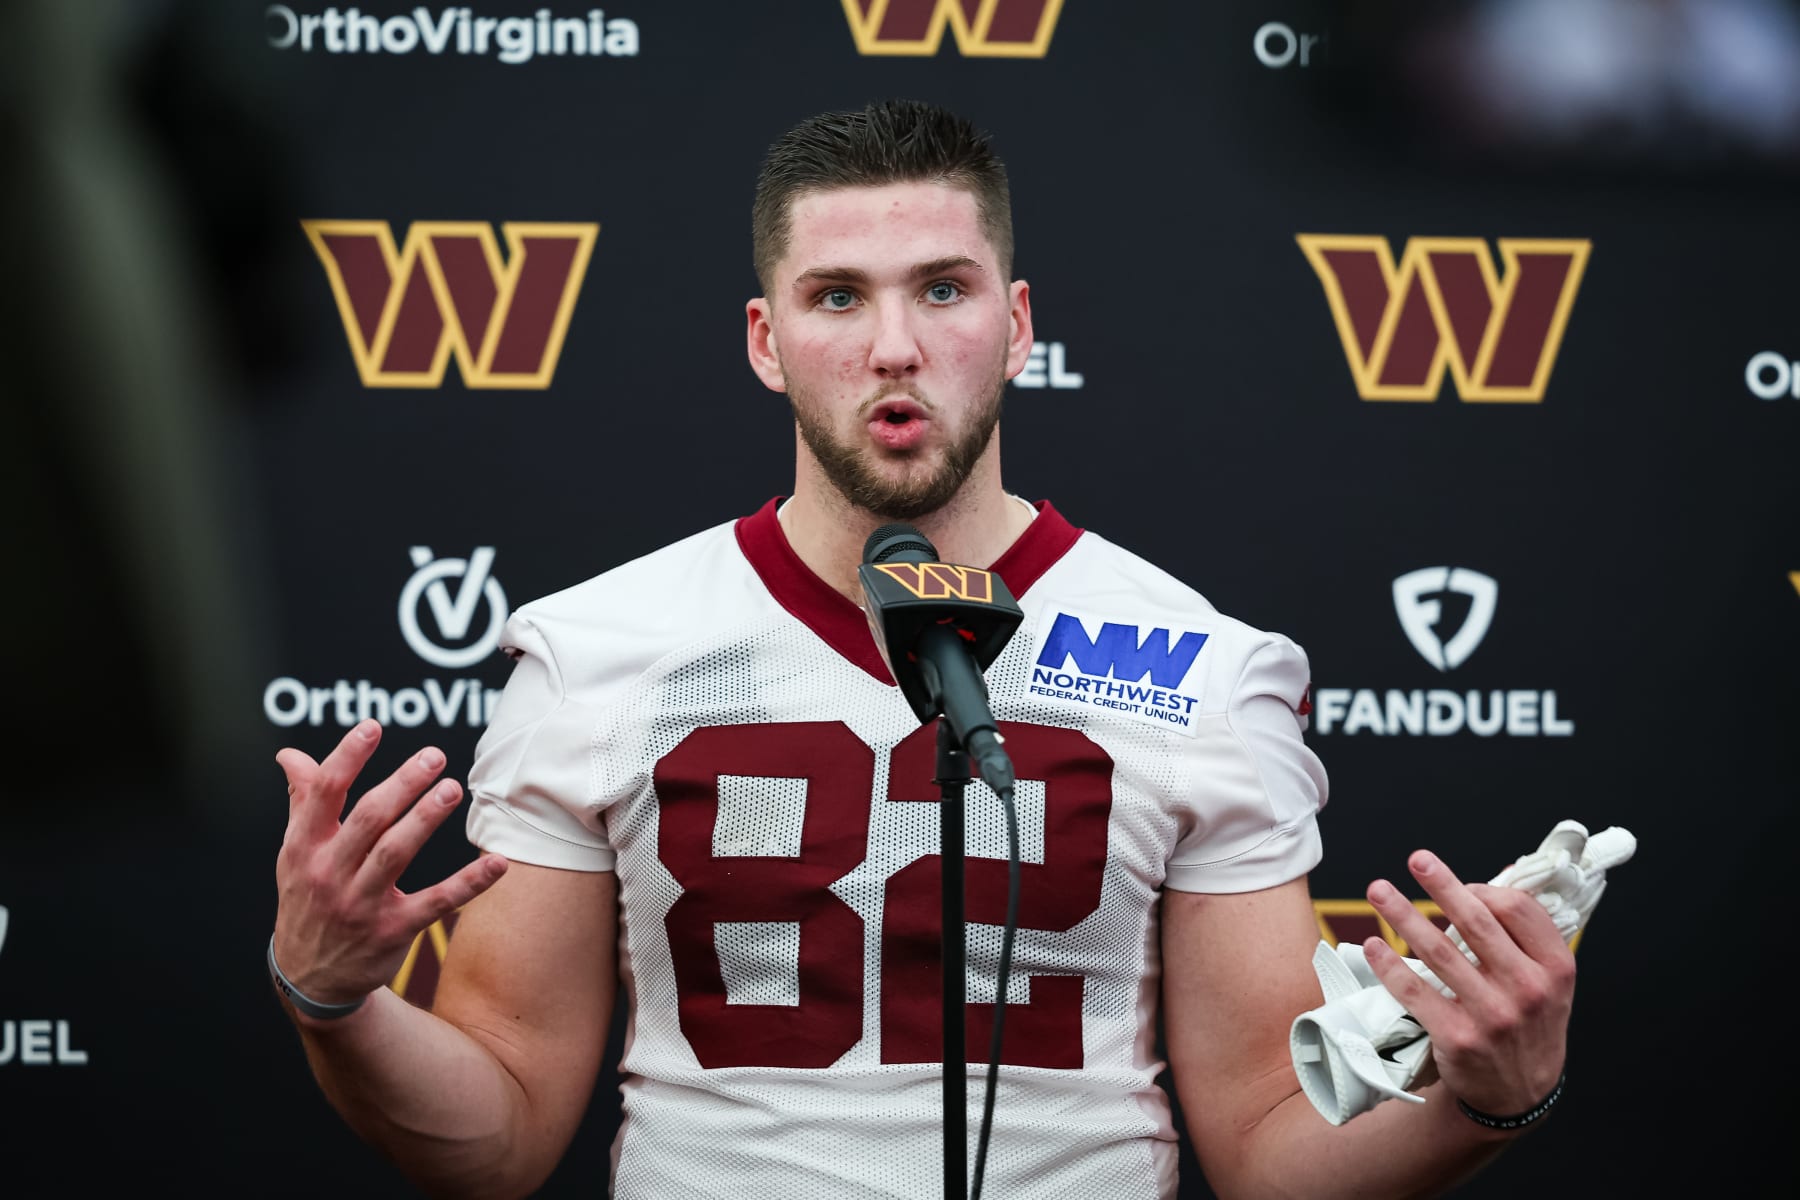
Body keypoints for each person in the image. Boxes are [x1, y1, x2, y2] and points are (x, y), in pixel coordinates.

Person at [270, 99, 1578, 1199]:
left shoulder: (1195, 667)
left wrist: (1483, 1101)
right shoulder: (599, 649)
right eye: (837, 297)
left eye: (940, 291)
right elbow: (499, 1130)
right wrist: (331, 1001)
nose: (894, 348)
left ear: (1015, 327)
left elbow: (1266, 1145)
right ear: (767, 342)